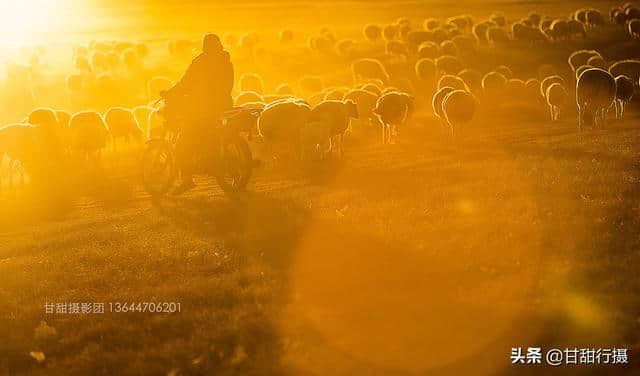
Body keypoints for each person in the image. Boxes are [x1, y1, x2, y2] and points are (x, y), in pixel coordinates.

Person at [164, 33, 234, 194]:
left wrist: (170, 93)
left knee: (182, 143)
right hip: (224, 106)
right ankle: (208, 159)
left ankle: (187, 179)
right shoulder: (225, 61)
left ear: (205, 46)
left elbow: (185, 83)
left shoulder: (200, 62)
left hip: (204, 109)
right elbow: (228, 85)